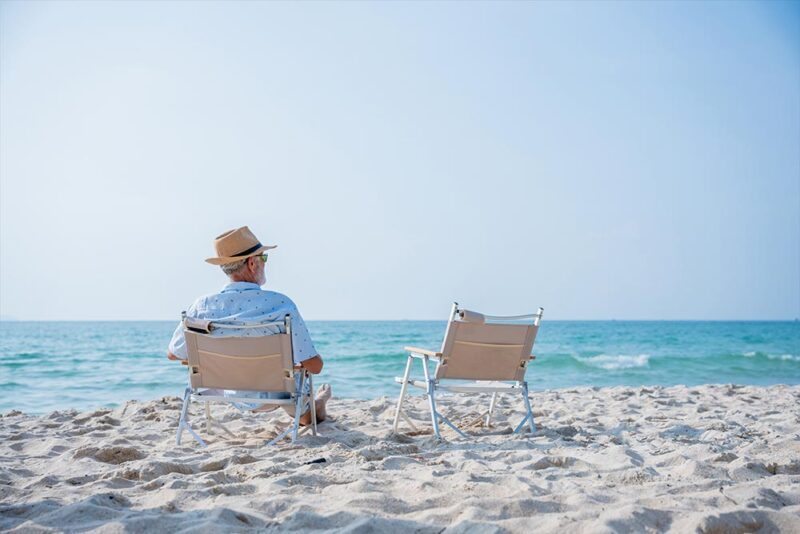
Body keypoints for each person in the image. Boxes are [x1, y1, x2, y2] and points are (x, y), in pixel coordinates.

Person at [167, 225, 330, 425]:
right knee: (307, 413)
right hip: (277, 393)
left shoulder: (201, 306)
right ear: (252, 263)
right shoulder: (280, 305)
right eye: (264, 258)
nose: (265, 264)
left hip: (225, 392)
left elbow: (174, 354)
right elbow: (315, 367)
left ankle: (317, 402)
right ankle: (319, 403)